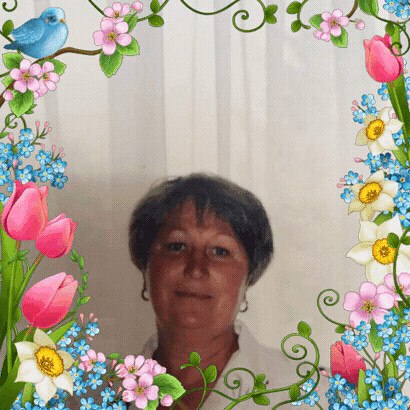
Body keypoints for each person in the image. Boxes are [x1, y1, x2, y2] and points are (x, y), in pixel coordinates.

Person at [128, 173, 301, 409]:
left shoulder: (307, 394)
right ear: (145, 268)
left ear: (249, 276)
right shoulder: (95, 395)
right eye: (177, 246)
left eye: (220, 251)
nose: (196, 269)